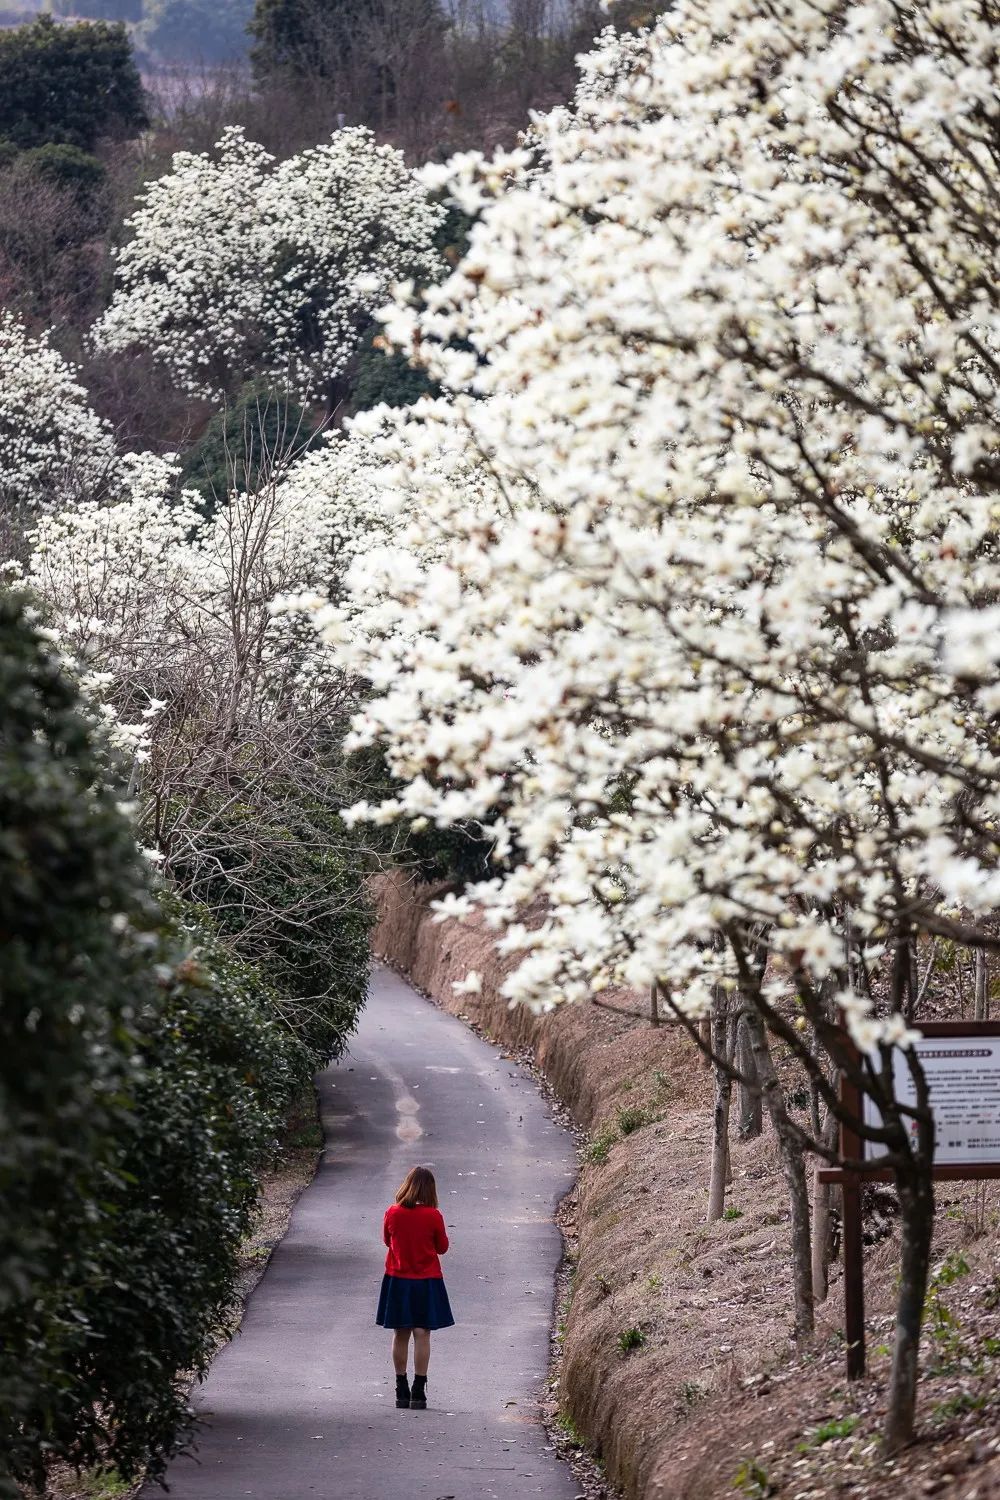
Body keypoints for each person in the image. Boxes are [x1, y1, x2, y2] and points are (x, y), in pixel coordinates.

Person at [377, 1165, 454, 1410]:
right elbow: (442, 1247)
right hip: (426, 1281)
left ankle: (401, 1387)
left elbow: (387, 1241)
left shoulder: (392, 1212)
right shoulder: (433, 1215)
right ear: (430, 1190)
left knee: (400, 1333)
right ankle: (419, 1390)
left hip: (398, 1280)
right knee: (422, 1334)